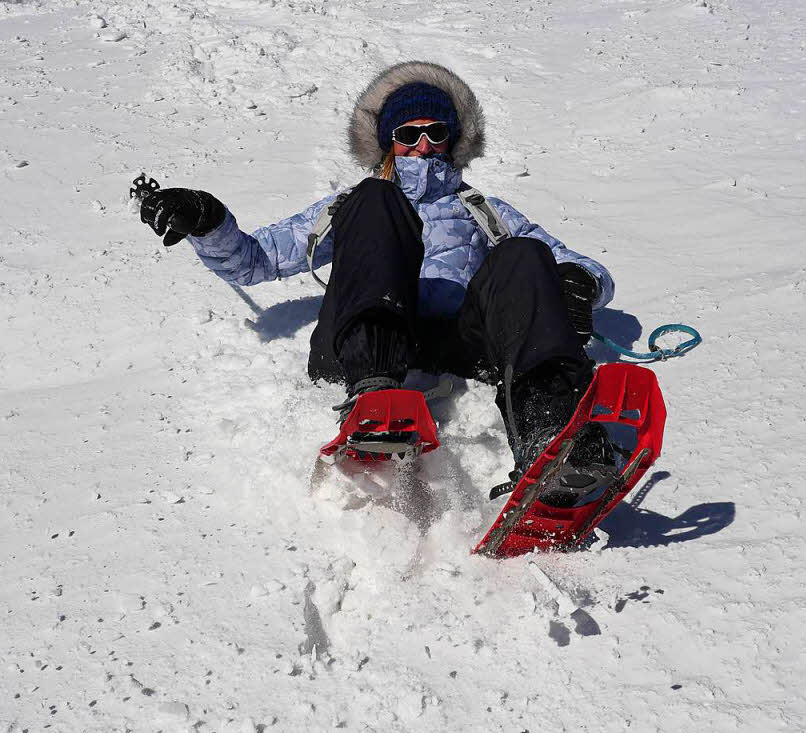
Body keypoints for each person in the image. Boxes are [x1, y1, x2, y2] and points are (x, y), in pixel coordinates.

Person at [138, 61, 616, 495]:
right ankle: (373, 397)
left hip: (460, 344)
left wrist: (579, 284)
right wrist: (206, 219)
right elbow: (256, 259)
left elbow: (568, 262)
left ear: (454, 140)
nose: (422, 145)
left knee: (523, 252)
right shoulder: (359, 203)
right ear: (389, 140)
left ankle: (550, 433)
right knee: (374, 200)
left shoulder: (480, 208)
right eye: (408, 134)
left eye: (435, 132)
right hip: (367, 338)